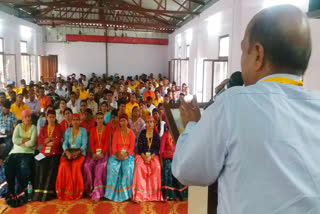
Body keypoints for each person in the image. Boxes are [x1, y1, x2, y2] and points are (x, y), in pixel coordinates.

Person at [172, 5, 320, 214]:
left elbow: (188, 170)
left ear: (258, 54)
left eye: (243, 49)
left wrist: (192, 125)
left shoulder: (233, 104)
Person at [4, 110, 37, 207]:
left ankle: (24, 191)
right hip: (15, 152)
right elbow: (14, 140)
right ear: (22, 119)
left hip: (28, 152)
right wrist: (24, 140)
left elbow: (32, 142)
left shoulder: (34, 128)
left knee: (24, 166)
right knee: (9, 165)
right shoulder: (18, 127)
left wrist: (22, 143)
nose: (28, 118)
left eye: (29, 116)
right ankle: (11, 191)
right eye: (26, 117)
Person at [56, 113, 87, 200]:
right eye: (74, 120)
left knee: (76, 167)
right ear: (71, 121)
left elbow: (84, 144)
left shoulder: (83, 130)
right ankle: (65, 192)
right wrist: (67, 152)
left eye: (77, 120)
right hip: (68, 153)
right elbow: (65, 143)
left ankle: (76, 192)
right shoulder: (68, 131)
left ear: (80, 121)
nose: (75, 122)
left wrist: (77, 153)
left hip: (80, 153)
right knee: (63, 166)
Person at [105, 113, 135, 202]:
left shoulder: (131, 133)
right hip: (116, 155)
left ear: (127, 121)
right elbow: (113, 147)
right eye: (121, 121)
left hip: (128, 155)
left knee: (128, 168)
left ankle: (127, 194)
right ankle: (111, 194)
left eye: (124, 120)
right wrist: (118, 155)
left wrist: (125, 154)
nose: (122, 122)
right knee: (112, 167)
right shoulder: (116, 133)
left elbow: (131, 147)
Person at [34, 110, 63, 201]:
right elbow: (39, 140)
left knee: (51, 164)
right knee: (38, 162)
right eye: (50, 117)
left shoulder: (58, 127)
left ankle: (48, 193)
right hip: (43, 153)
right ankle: (38, 192)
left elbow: (57, 141)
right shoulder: (43, 128)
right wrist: (48, 140)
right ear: (46, 118)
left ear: (55, 118)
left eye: (53, 117)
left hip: (55, 152)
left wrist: (47, 141)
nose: (51, 119)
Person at [132, 116, 163, 202]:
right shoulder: (142, 133)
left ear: (154, 124)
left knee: (157, 167)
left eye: (151, 122)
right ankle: (139, 195)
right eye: (148, 122)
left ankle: (154, 195)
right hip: (142, 155)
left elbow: (157, 149)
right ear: (146, 124)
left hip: (153, 156)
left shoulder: (156, 135)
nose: (149, 124)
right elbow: (139, 148)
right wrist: (144, 156)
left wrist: (150, 157)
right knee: (139, 167)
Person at [83, 112, 109, 201]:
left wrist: (102, 153)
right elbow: (92, 143)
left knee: (100, 167)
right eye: (98, 118)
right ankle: (90, 189)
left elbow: (106, 143)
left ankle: (98, 192)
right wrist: (94, 153)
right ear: (96, 119)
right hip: (93, 153)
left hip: (103, 153)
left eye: (102, 118)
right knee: (87, 165)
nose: (100, 120)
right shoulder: (93, 130)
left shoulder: (107, 129)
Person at [160, 131, 187, 201]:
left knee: (178, 168)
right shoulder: (165, 135)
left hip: (177, 157)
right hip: (168, 158)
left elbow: (183, 147)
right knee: (168, 168)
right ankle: (169, 195)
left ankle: (179, 194)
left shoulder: (178, 133)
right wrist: (169, 154)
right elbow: (162, 151)